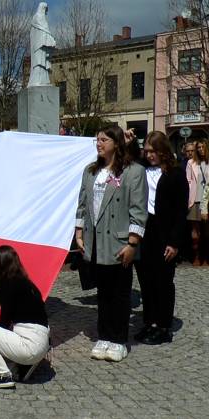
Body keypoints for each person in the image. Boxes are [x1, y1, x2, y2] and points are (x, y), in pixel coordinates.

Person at [75, 125, 148, 362]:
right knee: (103, 292)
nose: (99, 143)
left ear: (116, 143)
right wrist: (78, 232)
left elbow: (138, 210)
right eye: (97, 139)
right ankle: (104, 335)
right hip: (95, 240)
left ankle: (118, 339)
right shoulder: (90, 171)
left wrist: (133, 243)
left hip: (119, 241)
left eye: (104, 139)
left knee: (119, 292)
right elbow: (83, 204)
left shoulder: (133, 171)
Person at [133, 132, 189, 345]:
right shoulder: (143, 170)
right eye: (146, 151)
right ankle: (150, 322)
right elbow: (130, 159)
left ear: (163, 150)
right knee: (146, 280)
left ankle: (164, 325)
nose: (149, 155)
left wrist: (174, 242)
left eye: (153, 151)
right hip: (145, 229)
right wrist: (131, 143)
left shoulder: (175, 174)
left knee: (163, 281)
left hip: (164, 231)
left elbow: (180, 211)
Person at [0, 246, 50, 389]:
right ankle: (14, 367)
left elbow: (4, 323)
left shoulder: (9, 285)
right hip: (40, 342)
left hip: (30, 345)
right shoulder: (27, 284)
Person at [186, 140, 208, 265]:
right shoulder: (191, 163)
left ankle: (205, 257)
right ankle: (196, 256)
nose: (200, 149)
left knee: (206, 232)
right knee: (195, 233)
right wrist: (188, 199)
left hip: (207, 200)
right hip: (194, 200)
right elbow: (188, 181)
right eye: (198, 147)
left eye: (202, 147)